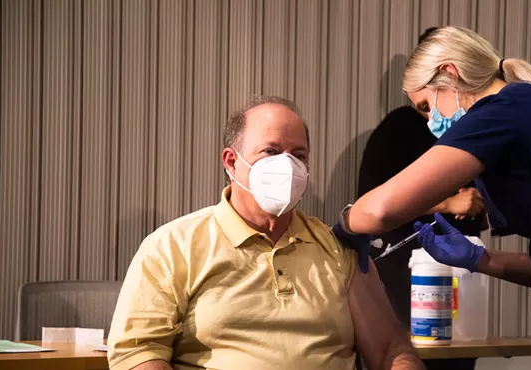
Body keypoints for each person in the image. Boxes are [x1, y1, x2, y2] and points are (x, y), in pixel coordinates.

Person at [333, 26, 531, 370]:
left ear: (448, 72)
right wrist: (478, 258)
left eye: (427, 106)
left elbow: (380, 210)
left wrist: (338, 232)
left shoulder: (501, 110)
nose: (431, 124)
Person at [108, 95, 425, 370]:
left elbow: (389, 349)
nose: (287, 166)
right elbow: (138, 354)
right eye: (271, 152)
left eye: (298, 155)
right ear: (232, 162)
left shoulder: (337, 248)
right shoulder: (172, 247)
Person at [358, 27, 485, 370]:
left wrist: (479, 203)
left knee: (458, 357)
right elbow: (372, 201)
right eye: (423, 108)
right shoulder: (397, 129)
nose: (433, 121)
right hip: (405, 273)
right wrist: (447, 204)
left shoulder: (478, 130)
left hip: (460, 271)